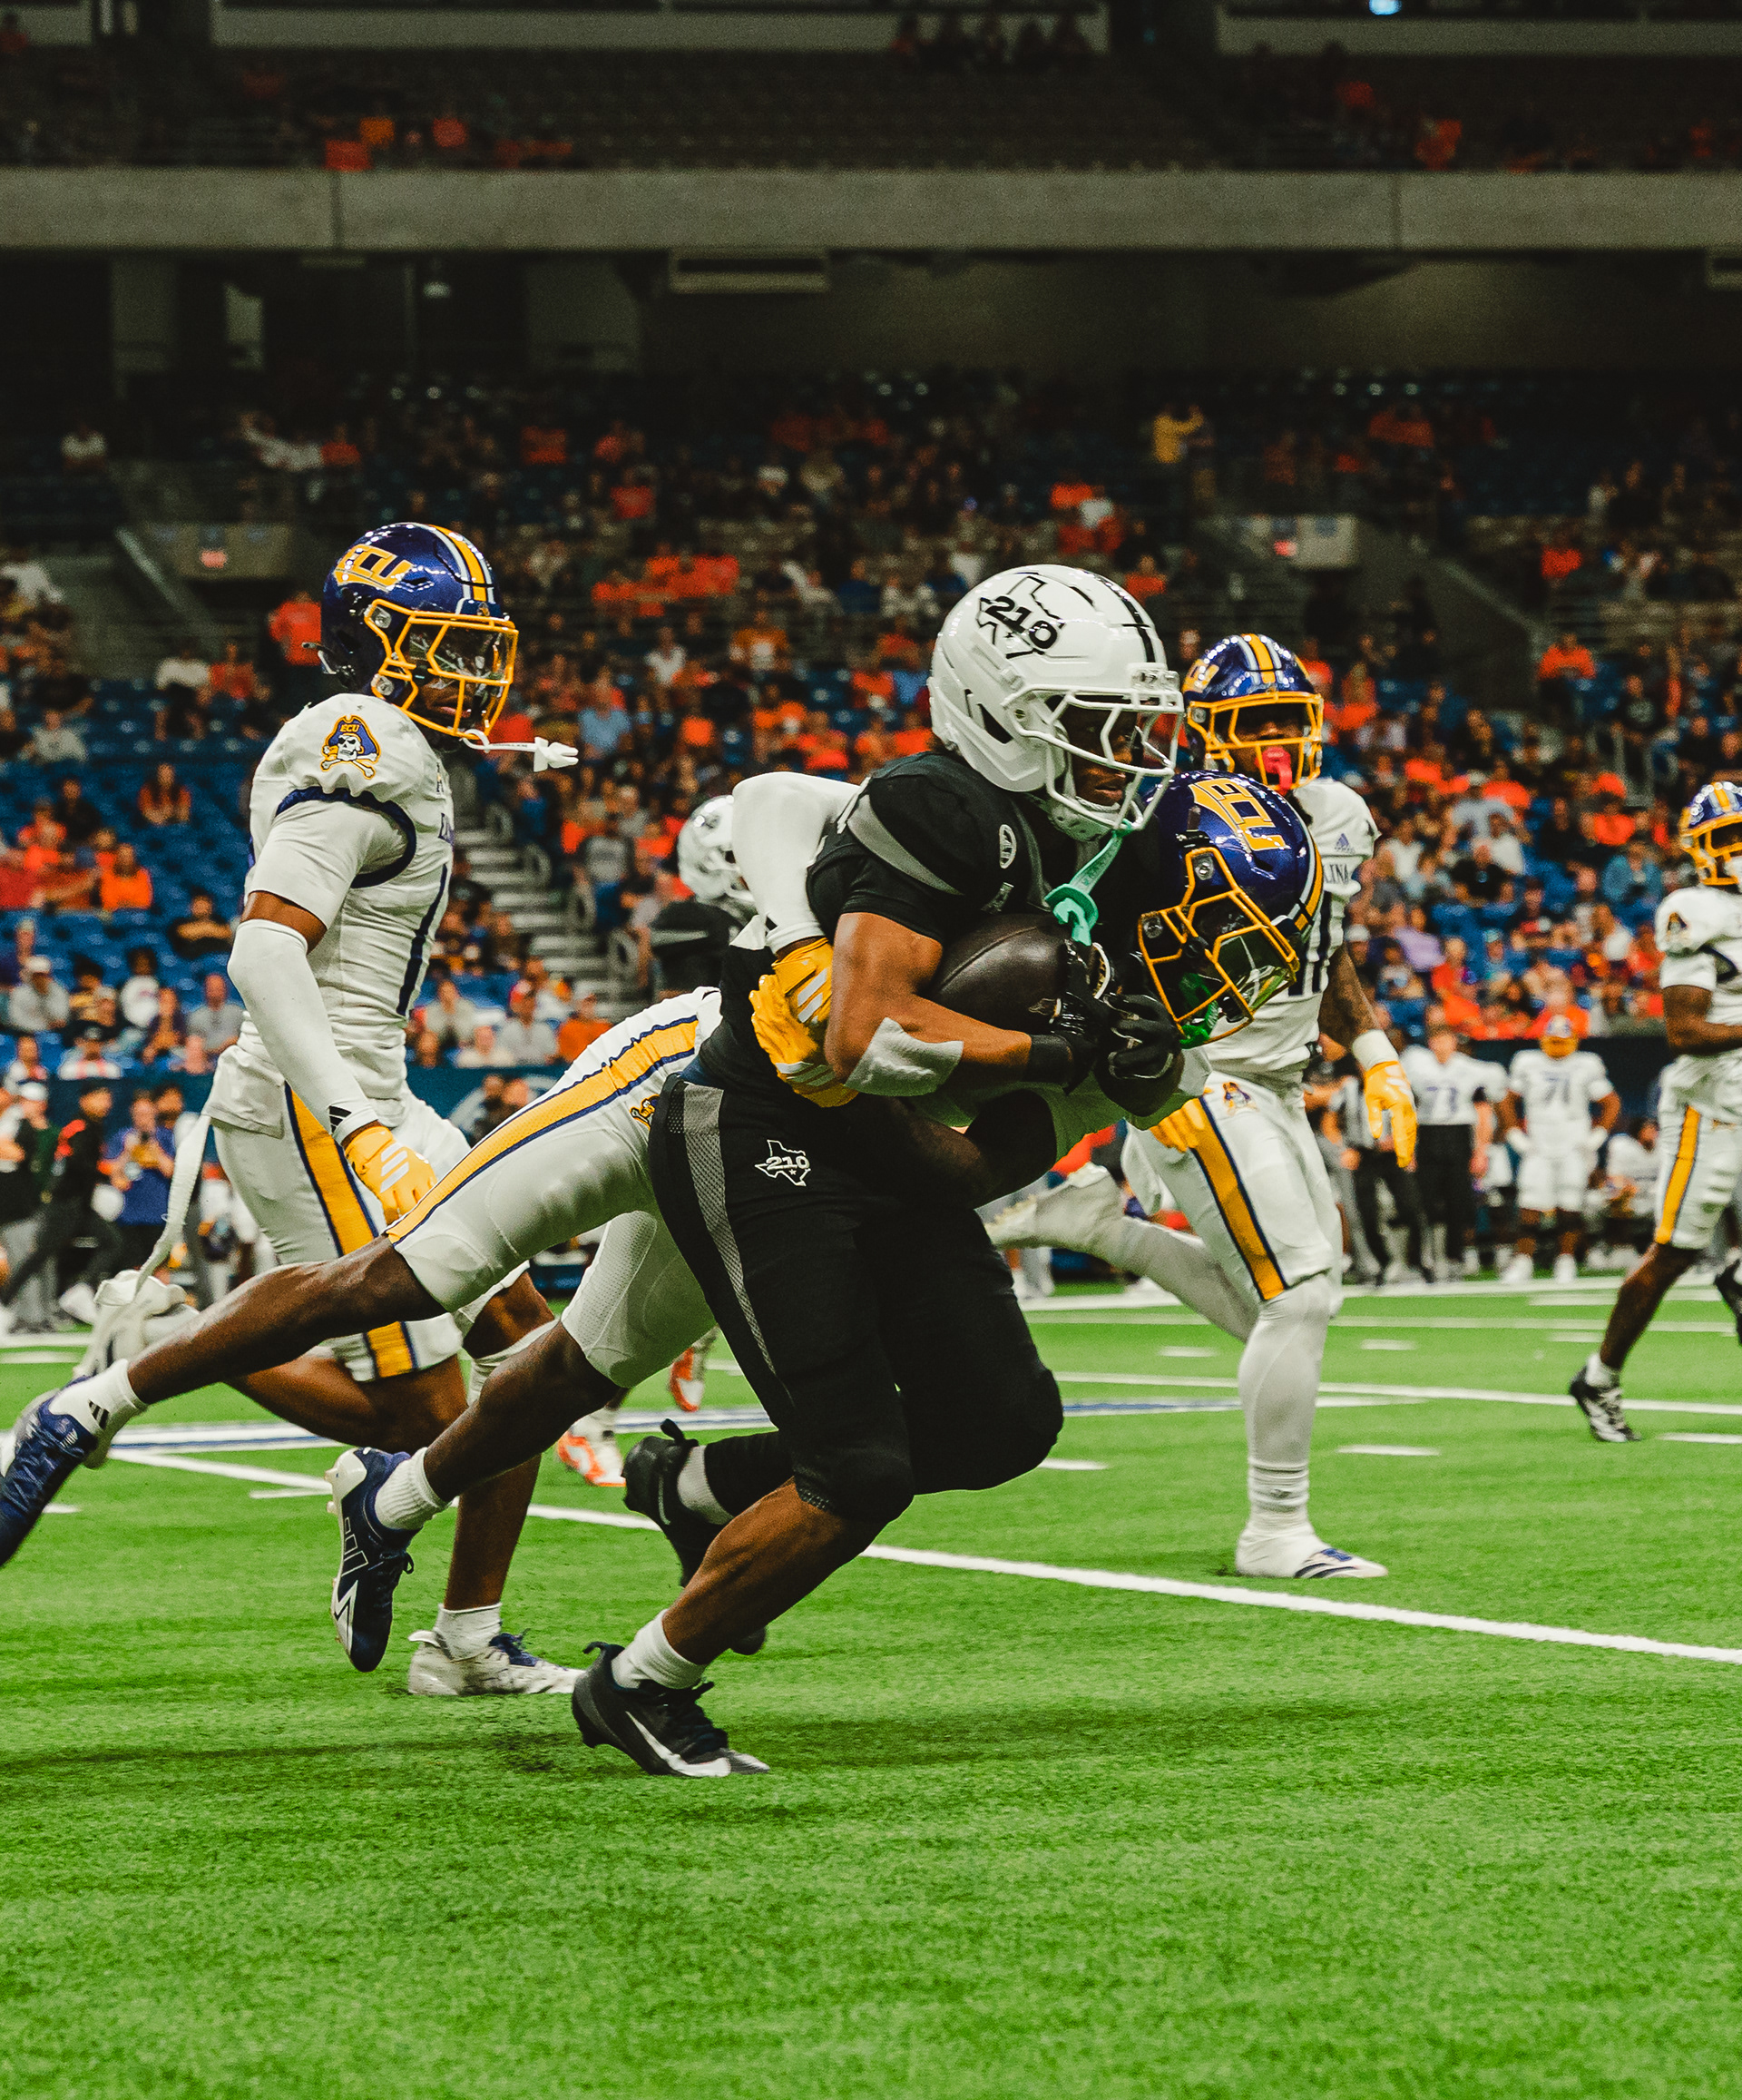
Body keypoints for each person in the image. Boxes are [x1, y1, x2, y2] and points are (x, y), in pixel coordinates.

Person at [0, 523, 577, 1700]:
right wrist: (356, 1122)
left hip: (378, 1089)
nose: (473, 670)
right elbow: (264, 952)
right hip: (322, 1100)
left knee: (532, 1354)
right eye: (447, 644)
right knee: (427, 1417)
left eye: (479, 646)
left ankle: (465, 1640)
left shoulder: (405, 749)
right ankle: (136, 1362)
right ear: (374, 642)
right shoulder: (362, 743)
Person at [994, 633, 1411, 1578]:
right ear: (1207, 730)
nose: (1274, 742)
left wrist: (1377, 1054)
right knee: (1297, 1294)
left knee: (1295, 1301)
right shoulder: (1158, 814)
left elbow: (1326, 952)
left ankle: (1106, 1228)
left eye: (1286, 720)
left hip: (1283, 1081)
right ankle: (1275, 1528)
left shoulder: (1338, 813)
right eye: (1253, 723)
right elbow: (1087, 944)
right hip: (1198, 1069)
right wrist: (1143, 1080)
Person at [1574, 783, 1742, 1441]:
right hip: (1710, 1105)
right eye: (1728, 837)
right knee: (1674, 1251)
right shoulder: (1694, 911)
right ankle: (1599, 1377)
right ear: (1702, 850)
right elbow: (1684, 1031)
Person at [1499, 1015, 1619, 1287]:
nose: (1558, 1047)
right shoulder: (1527, 1062)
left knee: (1570, 1203)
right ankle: (1523, 1262)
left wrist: (1597, 1136)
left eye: (1562, 1042)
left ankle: (1566, 1261)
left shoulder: (1586, 1064)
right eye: (1553, 1041)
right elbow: (1506, 1101)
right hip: (1539, 1143)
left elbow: (1611, 1102)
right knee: (1529, 1201)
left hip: (1572, 1144)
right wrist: (1515, 1134)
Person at [0, 1081, 121, 1329]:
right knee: (38, 1258)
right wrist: (107, 1174)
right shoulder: (78, 1128)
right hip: (64, 1205)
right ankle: (4, 1303)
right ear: (84, 1100)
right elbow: (77, 1165)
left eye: (107, 1098)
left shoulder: (93, 1127)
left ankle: (81, 1289)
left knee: (112, 1241)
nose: (105, 1103)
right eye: (99, 1097)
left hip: (81, 1206)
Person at [1402, 1024, 1496, 1278]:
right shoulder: (1417, 1068)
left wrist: (1481, 1151)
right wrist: (1408, 1147)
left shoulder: (1469, 1069)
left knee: (1459, 1202)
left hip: (1458, 1135)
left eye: (1446, 1040)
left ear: (1454, 1042)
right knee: (1424, 1202)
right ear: (1430, 1043)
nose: (1441, 1046)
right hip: (1428, 1134)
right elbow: (1407, 1110)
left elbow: (1483, 1111)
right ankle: (1421, 1260)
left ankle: (1456, 1257)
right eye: (1437, 1040)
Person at [102, 1093, 175, 1277]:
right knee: (132, 1269)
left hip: (157, 1214)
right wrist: (127, 1152)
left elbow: (170, 1170)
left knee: (159, 1268)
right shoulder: (122, 1137)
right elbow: (110, 1171)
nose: (143, 1119)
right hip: (129, 1214)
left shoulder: (164, 1137)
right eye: (139, 1114)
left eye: (147, 1114)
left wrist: (155, 1149)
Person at [0, 1084, 54, 1331]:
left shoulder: (22, 1124)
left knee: (22, 1261)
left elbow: (17, 1154)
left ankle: (33, 1317)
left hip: (17, 1207)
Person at [184, 974, 244, 1056]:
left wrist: (235, 1041)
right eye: (211, 988)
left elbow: (247, 1038)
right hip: (205, 1058)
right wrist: (215, 1049)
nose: (215, 992)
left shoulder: (238, 1012)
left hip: (234, 1056)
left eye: (218, 988)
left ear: (226, 990)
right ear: (205, 990)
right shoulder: (196, 1015)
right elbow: (193, 1043)